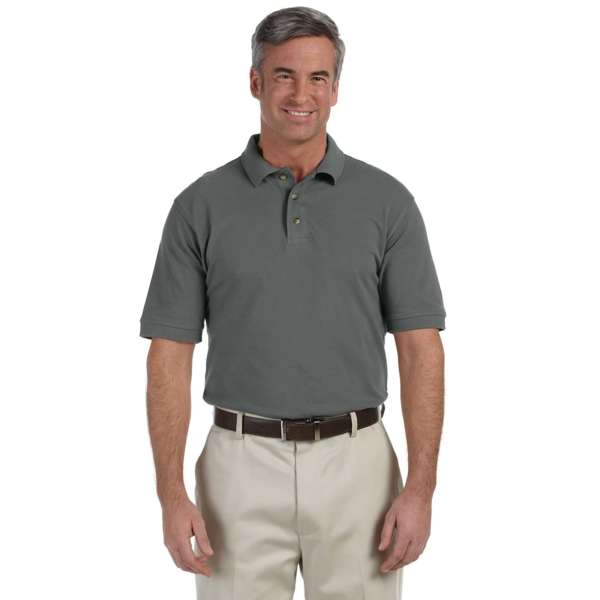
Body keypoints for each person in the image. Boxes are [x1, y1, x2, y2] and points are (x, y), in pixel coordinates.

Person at [139, 6, 446, 599]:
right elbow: (169, 356)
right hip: (238, 468)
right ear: (255, 81)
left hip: (358, 468)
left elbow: (421, 350)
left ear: (336, 88)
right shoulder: (199, 207)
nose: (301, 95)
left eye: (317, 78)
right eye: (284, 75)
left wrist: (421, 488)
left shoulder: (388, 204)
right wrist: (171, 494)